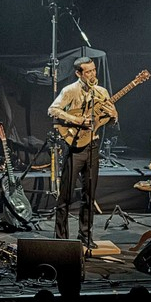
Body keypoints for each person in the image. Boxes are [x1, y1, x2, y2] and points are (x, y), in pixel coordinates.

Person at [48, 56, 117, 250]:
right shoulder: (70, 90)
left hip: (93, 147)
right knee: (66, 195)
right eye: (88, 71)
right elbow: (53, 110)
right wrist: (77, 120)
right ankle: (61, 238)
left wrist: (114, 116)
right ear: (79, 73)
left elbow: (109, 121)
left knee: (89, 194)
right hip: (74, 147)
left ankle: (85, 236)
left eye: (94, 70)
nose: (93, 74)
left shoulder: (101, 92)